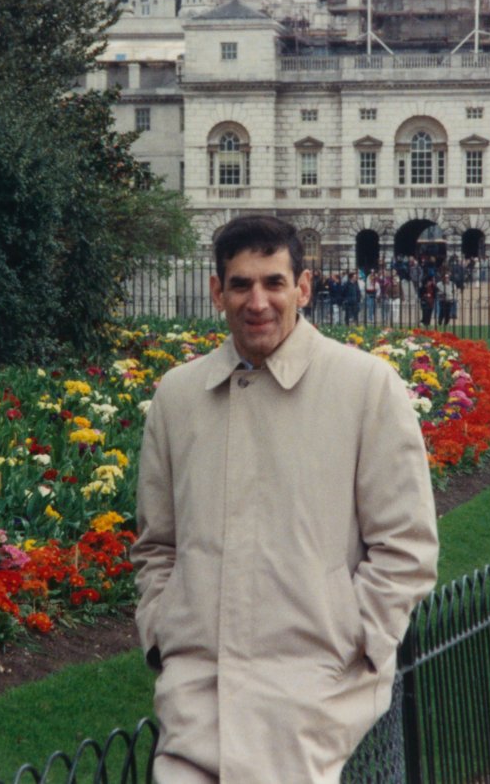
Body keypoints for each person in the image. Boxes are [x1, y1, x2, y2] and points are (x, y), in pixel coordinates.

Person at [133, 216, 439, 784]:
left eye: (274, 282)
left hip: (315, 696)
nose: (258, 301)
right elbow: (156, 544)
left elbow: (406, 548)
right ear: (216, 291)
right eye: (242, 284)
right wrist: (164, 634)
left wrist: (355, 644)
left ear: (303, 287)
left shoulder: (366, 386)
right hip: (197, 697)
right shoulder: (177, 395)